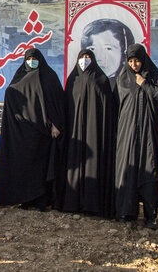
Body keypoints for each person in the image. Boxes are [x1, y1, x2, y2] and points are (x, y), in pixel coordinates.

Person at [0, 48, 65, 211]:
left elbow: (57, 103)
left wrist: (55, 124)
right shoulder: (19, 77)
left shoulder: (49, 77)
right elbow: (11, 96)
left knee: (42, 168)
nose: (32, 61)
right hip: (22, 134)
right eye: (29, 58)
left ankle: (42, 201)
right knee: (24, 168)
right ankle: (26, 200)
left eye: (35, 58)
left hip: (43, 133)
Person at [55, 49, 117, 218]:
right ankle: (72, 202)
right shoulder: (72, 80)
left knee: (93, 166)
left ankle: (92, 204)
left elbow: (108, 110)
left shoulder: (101, 80)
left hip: (94, 134)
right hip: (74, 134)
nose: (84, 60)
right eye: (82, 57)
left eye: (88, 57)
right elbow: (65, 106)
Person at [115, 44, 158, 229]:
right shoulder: (123, 78)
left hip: (148, 132)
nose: (134, 64)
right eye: (130, 61)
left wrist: (145, 84)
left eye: (137, 60)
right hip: (128, 132)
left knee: (150, 170)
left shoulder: (153, 76)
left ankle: (150, 214)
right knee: (127, 170)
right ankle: (126, 211)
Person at [81, 18, 135, 89]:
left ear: (123, 52)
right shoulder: (83, 84)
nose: (99, 58)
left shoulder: (132, 85)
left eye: (108, 48)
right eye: (92, 49)